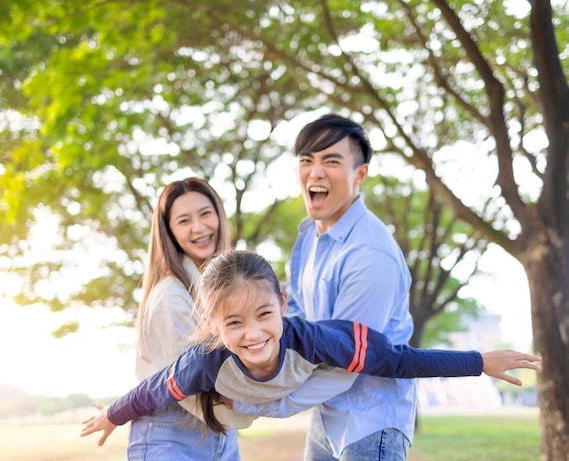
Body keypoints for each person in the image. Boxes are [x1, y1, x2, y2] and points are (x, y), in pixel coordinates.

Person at [80, 250, 541, 447]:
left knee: (367, 364)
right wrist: (110, 416)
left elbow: (402, 359)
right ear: (213, 326)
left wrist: (480, 361)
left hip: (327, 360)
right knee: (204, 403)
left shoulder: (315, 340)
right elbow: (150, 392)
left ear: (282, 304)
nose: (254, 334)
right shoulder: (203, 364)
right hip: (241, 396)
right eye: (234, 323)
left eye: (264, 315)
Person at [233, 112, 475, 460]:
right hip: (327, 413)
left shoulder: (370, 255)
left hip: (370, 423)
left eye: (331, 160)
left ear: (359, 174)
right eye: (307, 160)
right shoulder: (308, 237)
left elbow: (349, 364)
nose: (315, 172)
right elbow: (297, 323)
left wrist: (254, 403)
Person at [126, 177, 240, 460]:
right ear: (169, 232)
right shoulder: (170, 296)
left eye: (205, 214)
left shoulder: (217, 288)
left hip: (218, 433)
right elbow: (196, 382)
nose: (199, 228)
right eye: (184, 221)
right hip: (170, 434)